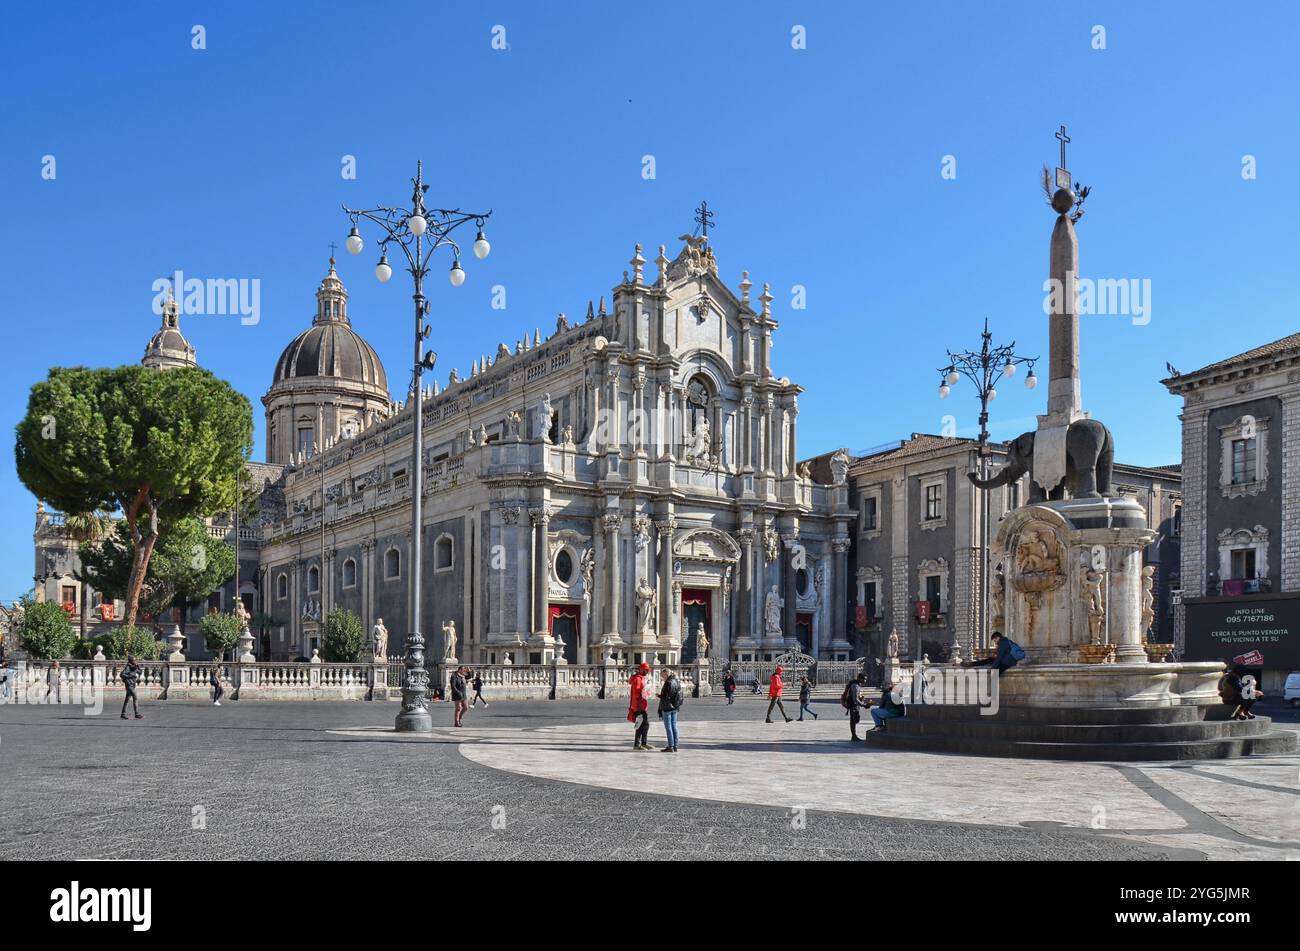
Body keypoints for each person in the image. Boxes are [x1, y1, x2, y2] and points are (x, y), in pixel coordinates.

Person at [627, 661, 653, 751]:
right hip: (639, 705)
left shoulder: (642, 678)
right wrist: (645, 693)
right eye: (646, 670)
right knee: (640, 725)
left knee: (645, 724)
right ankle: (637, 744)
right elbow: (637, 693)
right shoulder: (638, 679)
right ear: (641, 669)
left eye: (648, 670)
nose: (647, 672)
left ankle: (643, 743)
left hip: (642, 704)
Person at [658, 667, 684, 753]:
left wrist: (658, 695)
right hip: (675, 707)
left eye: (662, 675)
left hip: (667, 707)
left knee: (668, 727)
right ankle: (675, 745)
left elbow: (665, 696)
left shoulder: (668, 682)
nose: (662, 677)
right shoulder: (676, 681)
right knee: (674, 726)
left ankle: (670, 746)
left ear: (666, 674)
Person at [843, 673, 870, 741]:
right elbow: (855, 699)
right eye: (864, 679)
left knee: (855, 719)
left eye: (866, 679)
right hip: (853, 705)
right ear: (859, 678)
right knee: (853, 720)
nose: (865, 681)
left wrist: (861, 698)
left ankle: (854, 735)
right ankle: (854, 736)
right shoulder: (855, 686)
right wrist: (863, 705)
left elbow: (857, 696)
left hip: (855, 704)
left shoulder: (857, 685)